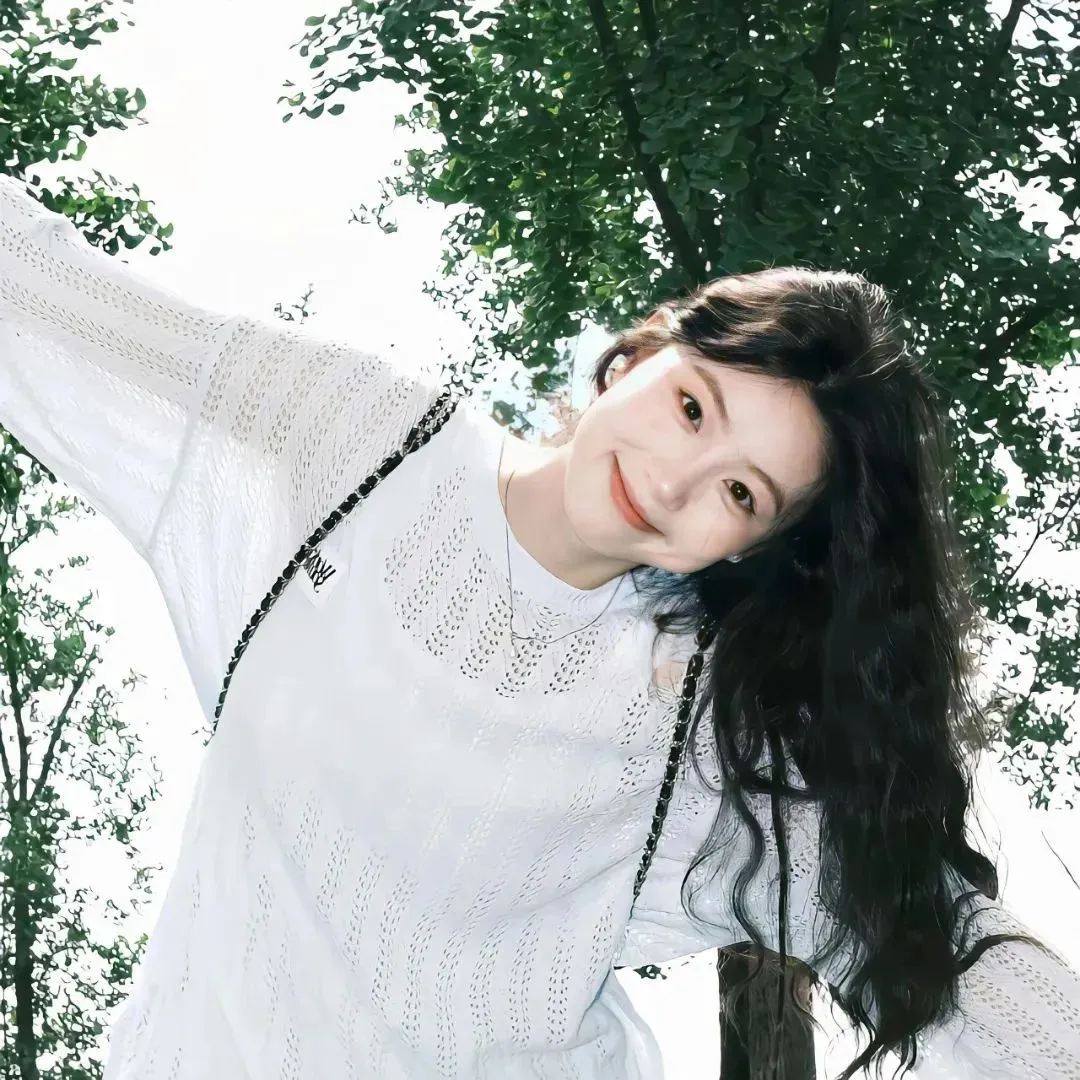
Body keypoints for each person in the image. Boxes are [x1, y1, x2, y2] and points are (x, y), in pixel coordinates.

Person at [0, 171, 1077, 1080]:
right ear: (647, 350)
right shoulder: (363, 448)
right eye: (692, 408)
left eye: (740, 493)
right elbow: (45, 294)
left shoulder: (694, 725)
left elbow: (933, 934)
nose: (673, 482)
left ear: (755, 547)